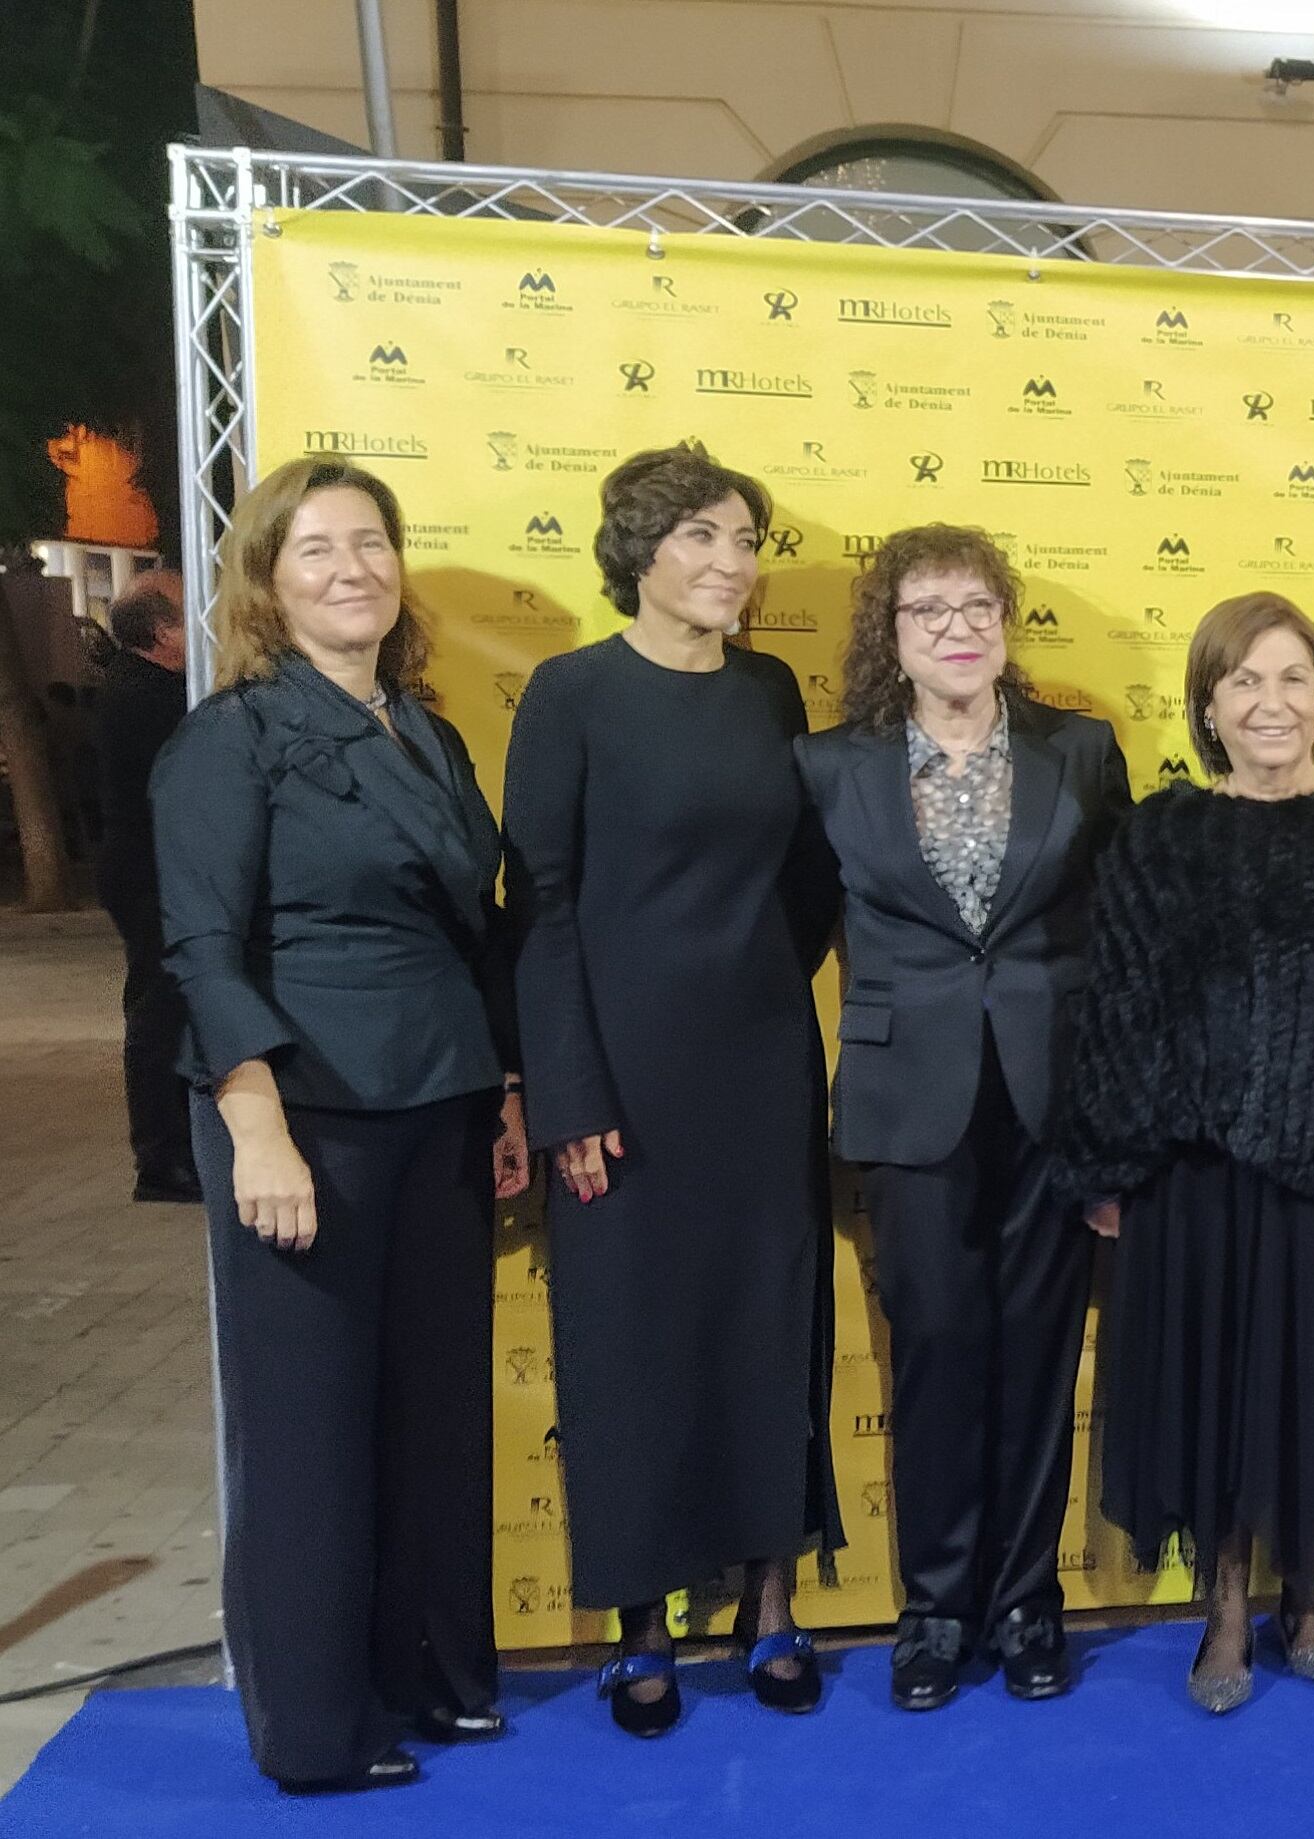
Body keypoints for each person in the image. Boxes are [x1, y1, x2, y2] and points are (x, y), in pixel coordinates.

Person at [153, 457, 530, 1793]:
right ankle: (316, 1727)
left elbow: (471, 934)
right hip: (300, 1114)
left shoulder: (423, 728)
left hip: (440, 1103)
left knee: (432, 1416)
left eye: (369, 542)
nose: (350, 568)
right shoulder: (230, 738)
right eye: (314, 549)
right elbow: (203, 948)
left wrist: (502, 1090)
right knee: (310, 1427)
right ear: (267, 581)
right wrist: (252, 1127)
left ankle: (431, 1675)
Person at [1058, 593, 1314, 1714]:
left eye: (1293, 679)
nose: (1270, 703)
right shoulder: (1160, 832)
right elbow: (1119, 1002)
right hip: (1196, 1172)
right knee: (1216, 1390)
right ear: (1205, 706)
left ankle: (1307, 1593)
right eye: (1243, 681)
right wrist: (1107, 1168)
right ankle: (1227, 1603)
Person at [506, 445, 841, 1733]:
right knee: (631, 1348)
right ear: (639, 551)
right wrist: (568, 1091)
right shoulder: (570, 693)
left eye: (747, 540)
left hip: (759, 1069)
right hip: (617, 1082)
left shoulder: (772, 690)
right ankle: (640, 1619)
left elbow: (805, 880)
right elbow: (536, 904)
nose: (734, 565)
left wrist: (760, 986)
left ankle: (767, 1600)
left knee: (768, 1327)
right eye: (704, 536)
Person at [794, 526, 1130, 1711]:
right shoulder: (830, 767)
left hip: (1052, 1099)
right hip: (906, 1102)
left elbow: (1120, 937)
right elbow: (790, 937)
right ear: (890, 634)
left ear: (1006, 620)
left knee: (1040, 1359)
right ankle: (936, 1611)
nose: (958, 627)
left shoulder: (1081, 752)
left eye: (978, 604)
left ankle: (1029, 1602)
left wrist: (1116, 1126)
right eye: (928, 609)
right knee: (936, 1353)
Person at [97, 570, 199, 1202]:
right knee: (160, 1012)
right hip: (151, 875)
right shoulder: (150, 697)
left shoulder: (155, 689)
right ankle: (163, 1160)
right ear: (164, 633)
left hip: (152, 870)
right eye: (194, 609)